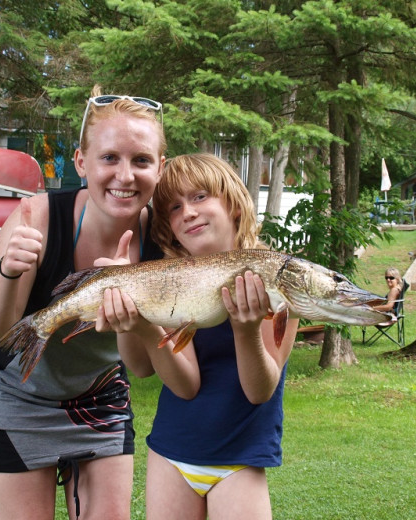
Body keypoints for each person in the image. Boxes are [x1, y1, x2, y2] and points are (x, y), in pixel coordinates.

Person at [0, 86, 166, 520]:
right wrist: (8, 272)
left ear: (160, 167)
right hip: (16, 396)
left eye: (142, 160)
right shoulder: (36, 218)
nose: (125, 176)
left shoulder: (165, 242)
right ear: (81, 162)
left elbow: (146, 366)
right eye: (109, 157)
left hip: (100, 396)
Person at [97, 153, 299, 520]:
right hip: (171, 453)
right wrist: (138, 323)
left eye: (200, 196)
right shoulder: (165, 278)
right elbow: (165, 378)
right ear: (168, 228)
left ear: (234, 205)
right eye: (174, 207)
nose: (187, 212)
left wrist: (247, 329)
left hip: (240, 460)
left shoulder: (277, 275)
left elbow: (260, 390)